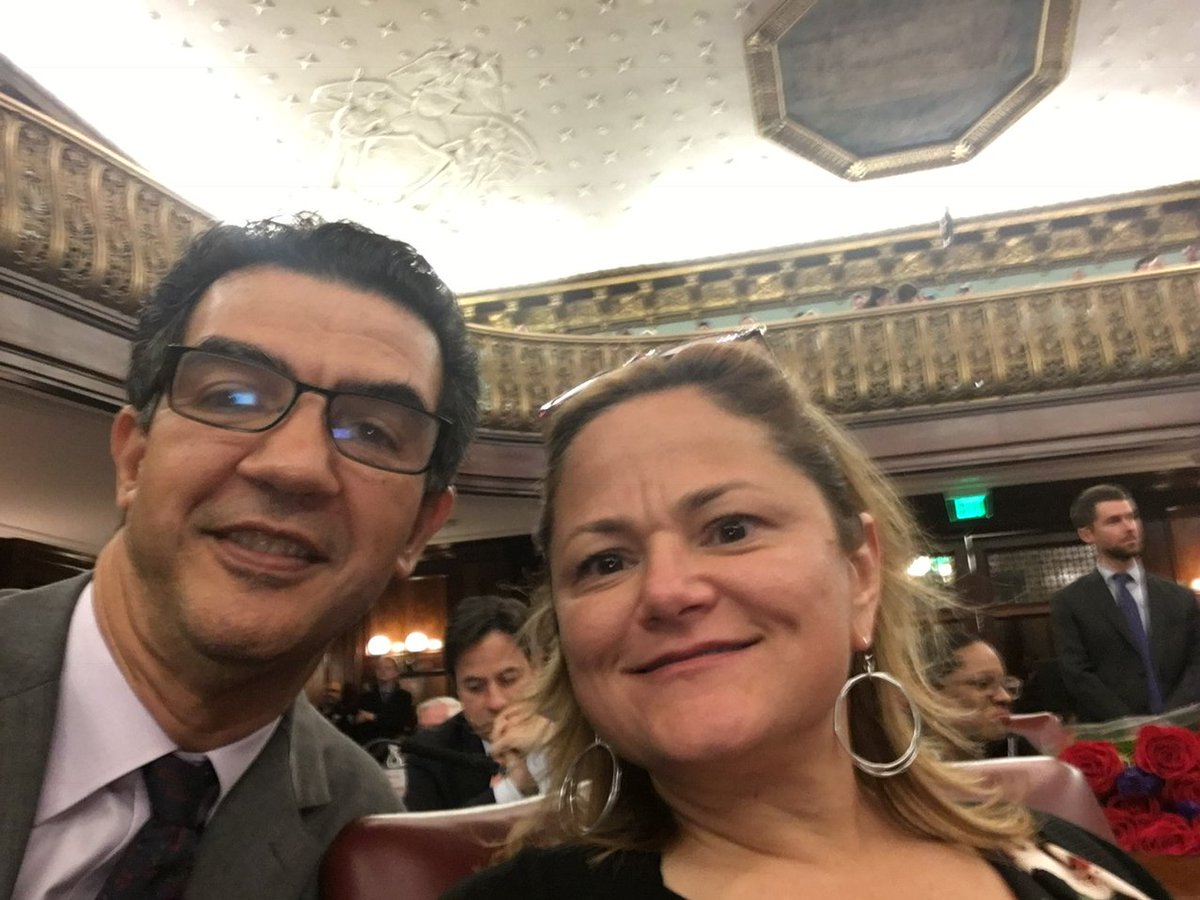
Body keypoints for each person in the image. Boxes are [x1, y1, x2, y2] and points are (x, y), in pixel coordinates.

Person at [446, 339, 1165, 899]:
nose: (666, 591)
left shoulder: (1069, 866)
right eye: (605, 562)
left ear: (859, 574)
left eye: (731, 529)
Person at [0, 215, 480, 899]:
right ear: (134, 459)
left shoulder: (368, 844)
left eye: (372, 432)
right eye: (234, 397)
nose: (295, 467)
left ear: (417, 533)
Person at [1050, 484, 1200, 723]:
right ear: (1088, 534)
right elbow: (1077, 674)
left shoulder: (1179, 597)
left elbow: (1196, 663)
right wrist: (1130, 723)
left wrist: (1172, 719)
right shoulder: (1070, 602)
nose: (1130, 527)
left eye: (1132, 517)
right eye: (1114, 521)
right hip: (1113, 730)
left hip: (1183, 725)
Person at [403, 595, 550, 810]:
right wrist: (513, 788)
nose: (496, 702)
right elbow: (430, 832)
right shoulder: (430, 753)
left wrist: (543, 758)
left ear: (537, 669)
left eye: (508, 680)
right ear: (456, 687)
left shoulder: (578, 730)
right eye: (475, 687)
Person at [932, 632, 1036, 758]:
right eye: (983, 683)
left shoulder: (1016, 753)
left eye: (1005, 684)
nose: (1005, 697)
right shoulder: (911, 767)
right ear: (930, 693)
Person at [351, 655, 417, 744]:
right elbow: (358, 722)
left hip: (393, 743)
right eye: (379, 668)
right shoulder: (365, 697)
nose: (383, 671)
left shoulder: (404, 697)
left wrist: (372, 717)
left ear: (396, 673)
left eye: (388, 668)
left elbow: (400, 722)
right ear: (376, 672)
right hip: (370, 744)